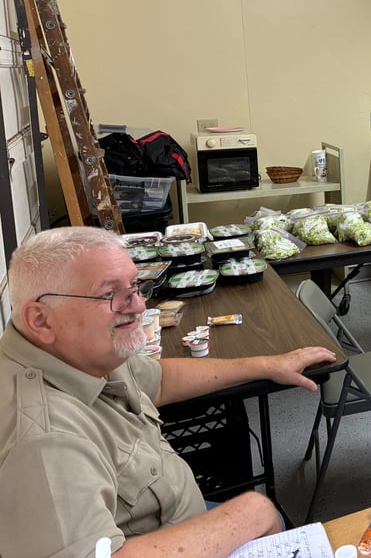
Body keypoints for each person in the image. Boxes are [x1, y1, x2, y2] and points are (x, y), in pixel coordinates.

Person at [0, 226, 339, 558]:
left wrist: (267, 365)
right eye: (112, 295)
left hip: (174, 519)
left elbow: (159, 379)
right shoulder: (43, 440)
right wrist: (247, 512)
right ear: (41, 320)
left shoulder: (82, 350)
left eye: (135, 287)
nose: (136, 306)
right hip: (157, 538)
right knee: (271, 516)